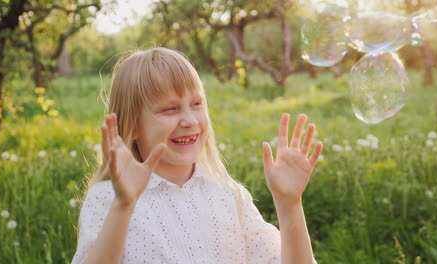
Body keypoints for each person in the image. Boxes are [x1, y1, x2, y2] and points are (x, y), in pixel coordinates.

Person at [71, 47, 323, 264]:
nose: (190, 120)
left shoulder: (229, 195)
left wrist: (289, 203)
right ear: (133, 126)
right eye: (170, 109)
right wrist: (123, 205)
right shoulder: (108, 199)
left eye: (196, 104)